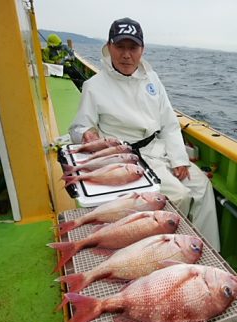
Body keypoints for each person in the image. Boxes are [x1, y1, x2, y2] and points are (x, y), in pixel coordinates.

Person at [68, 18, 220, 251]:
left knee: (201, 187)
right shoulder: (94, 85)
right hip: (127, 158)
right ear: (109, 47)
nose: (126, 55)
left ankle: (207, 249)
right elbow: (78, 128)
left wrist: (179, 158)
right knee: (178, 195)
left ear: (142, 49)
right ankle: (168, 254)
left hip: (158, 149)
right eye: (120, 47)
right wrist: (87, 134)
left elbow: (169, 123)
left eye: (133, 48)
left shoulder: (153, 80)